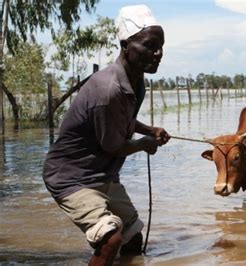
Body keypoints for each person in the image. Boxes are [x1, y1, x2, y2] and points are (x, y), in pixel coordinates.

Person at [42, 5, 170, 265]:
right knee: (110, 239)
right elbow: (113, 145)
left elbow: (122, 120)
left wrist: (148, 129)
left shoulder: (136, 81)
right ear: (126, 45)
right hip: (72, 178)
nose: (158, 53)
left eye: (161, 46)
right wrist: (144, 144)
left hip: (102, 174)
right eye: (150, 45)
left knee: (133, 237)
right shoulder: (107, 88)